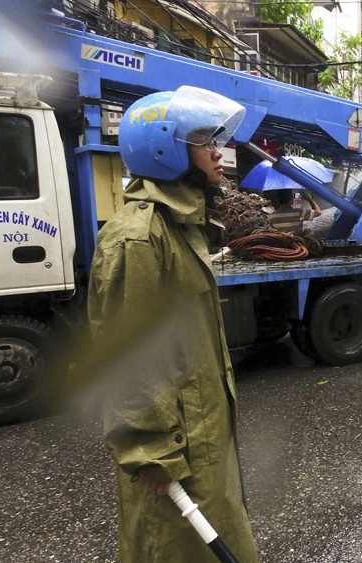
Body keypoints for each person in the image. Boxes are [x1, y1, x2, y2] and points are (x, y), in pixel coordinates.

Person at [87, 86, 260, 562]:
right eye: (203, 141)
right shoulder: (139, 238)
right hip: (175, 456)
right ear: (164, 148)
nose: (218, 152)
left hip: (198, 441)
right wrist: (152, 451)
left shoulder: (179, 226)